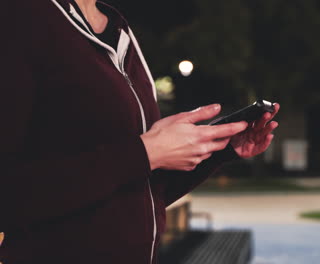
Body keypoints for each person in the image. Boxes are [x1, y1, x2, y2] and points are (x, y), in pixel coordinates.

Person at [0, 0, 280, 263]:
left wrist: (219, 149)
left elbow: (136, 193)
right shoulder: (20, 18)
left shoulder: (118, 28)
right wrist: (144, 153)